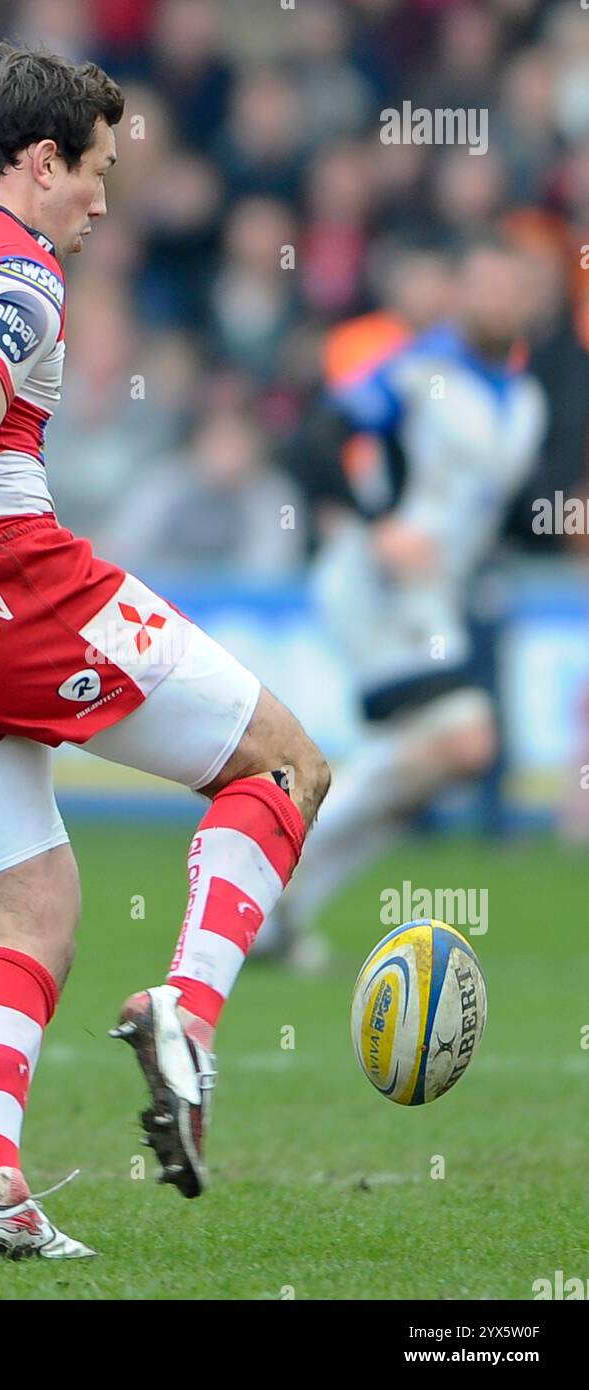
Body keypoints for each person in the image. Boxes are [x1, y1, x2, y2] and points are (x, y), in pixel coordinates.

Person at [0, 44, 329, 1259]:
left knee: (30, 917)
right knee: (283, 768)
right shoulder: (17, 266)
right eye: (94, 172)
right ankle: (187, 1017)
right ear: (39, 162)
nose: (102, 200)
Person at [262, 238, 545, 969]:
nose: (493, 300)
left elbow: (484, 515)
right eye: (480, 283)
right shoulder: (418, 373)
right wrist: (374, 521)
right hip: (372, 588)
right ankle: (270, 880)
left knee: (424, 769)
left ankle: (280, 907)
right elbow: (315, 439)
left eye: (507, 287)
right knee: (463, 740)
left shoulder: (525, 404)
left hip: (433, 605)